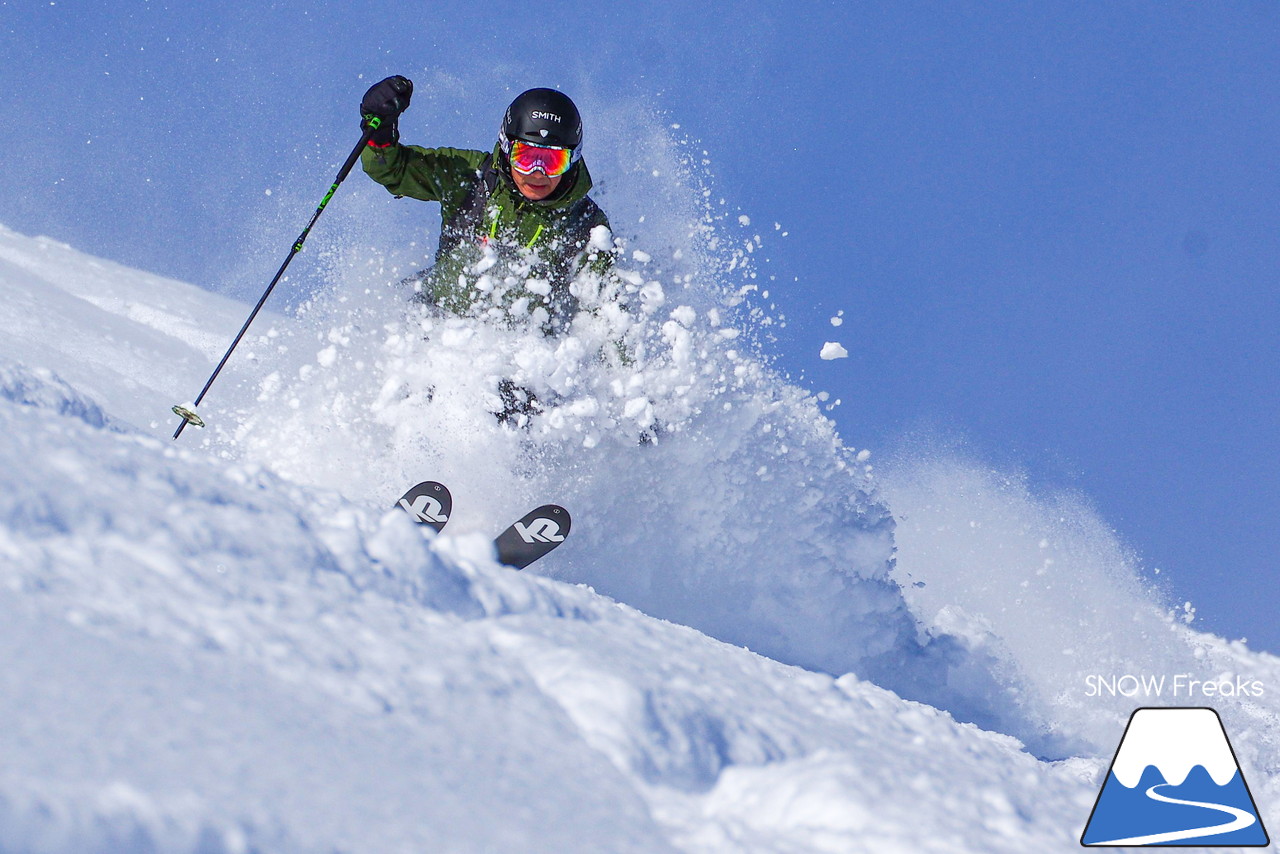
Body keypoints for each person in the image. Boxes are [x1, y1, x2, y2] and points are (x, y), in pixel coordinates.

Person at [358, 76, 614, 336]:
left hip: (518, 354)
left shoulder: (584, 225)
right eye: (525, 157)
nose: (538, 173)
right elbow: (393, 169)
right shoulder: (473, 177)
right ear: (505, 148)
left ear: (573, 160)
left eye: (552, 161)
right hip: (433, 330)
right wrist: (379, 131)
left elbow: (603, 313)